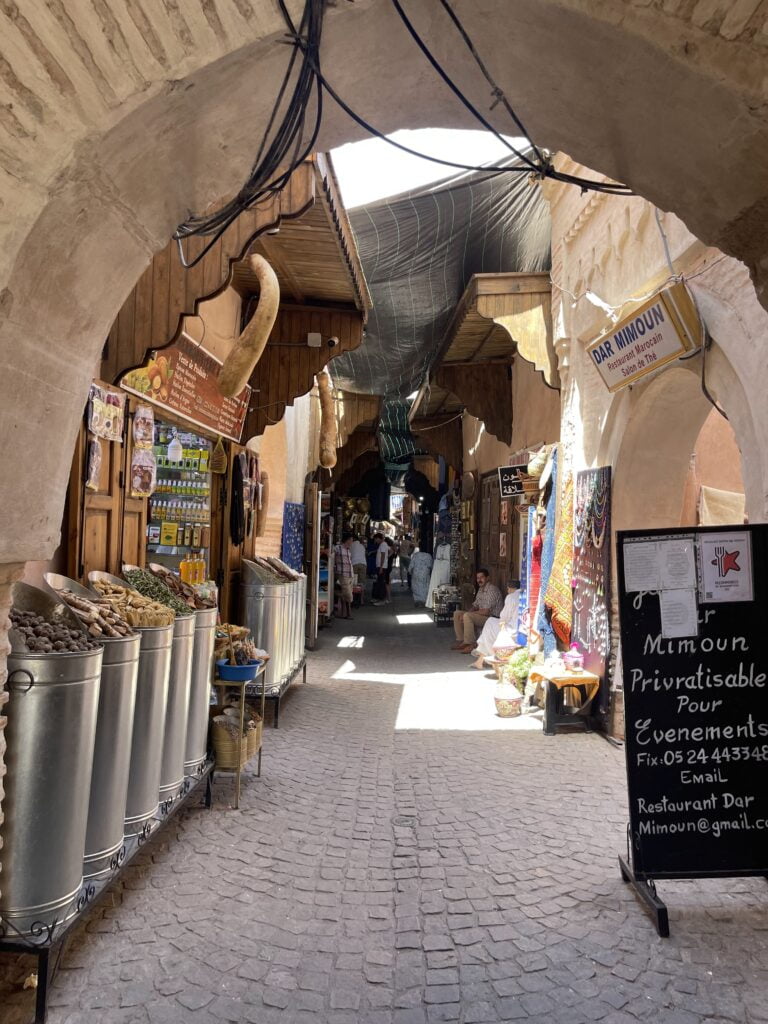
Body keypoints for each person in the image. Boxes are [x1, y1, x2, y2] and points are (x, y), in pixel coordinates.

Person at [471, 579, 521, 669]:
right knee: (490, 623)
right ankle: (480, 660)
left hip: (512, 631)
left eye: (508, 589)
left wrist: (503, 622)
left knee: (489, 623)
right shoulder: (524, 595)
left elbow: (504, 617)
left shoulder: (511, 597)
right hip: (522, 629)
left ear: (509, 588)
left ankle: (490, 657)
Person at [451, 568, 504, 653]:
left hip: (492, 619)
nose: (479, 580)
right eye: (478, 578)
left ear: (487, 578)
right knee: (457, 613)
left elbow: (486, 612)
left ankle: (470, 643)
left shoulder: (492, 590)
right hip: (483, 616)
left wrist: (468, 613)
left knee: (467, 616)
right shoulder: (481, 589)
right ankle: (461, 640)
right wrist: (467, 612)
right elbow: (475, 605)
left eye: (482, 577)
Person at [333, 532, 355, 620]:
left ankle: (345, 613)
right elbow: (331, 554)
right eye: (351, 540)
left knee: (347, 593)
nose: (351, 542)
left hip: (350, 574)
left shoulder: (348, 550)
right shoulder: (338, 548)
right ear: (347, 540)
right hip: (343, 574)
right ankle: (347, 613)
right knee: (348, 595)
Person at [426, 534, 451, 609]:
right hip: (438, 566)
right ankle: (434, 603)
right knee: (435, 584)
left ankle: (442, 604)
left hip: (445, 566)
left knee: (444, 584)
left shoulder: (449, 547)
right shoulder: (439, 547)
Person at [371, 532, 391, 605]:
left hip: (381, 566)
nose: (375, 541)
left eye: (376, 539)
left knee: (381, 583)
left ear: (378, 538)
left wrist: (381, 567)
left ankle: (382, 599)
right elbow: (389, 551)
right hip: (382, 566)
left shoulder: (383, 545)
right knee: (380, 582)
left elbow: (383, 555)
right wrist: (387, 558)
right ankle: (380, 599)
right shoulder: (384, 544)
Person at [350, 535, 367, 604]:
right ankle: (362, 600)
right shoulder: (362, 546)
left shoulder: (351, 545)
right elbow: (364, 555)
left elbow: (349, 555)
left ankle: (353, 599)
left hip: (354, 564)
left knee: (354, 582)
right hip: (363, 564)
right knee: (362, 582)